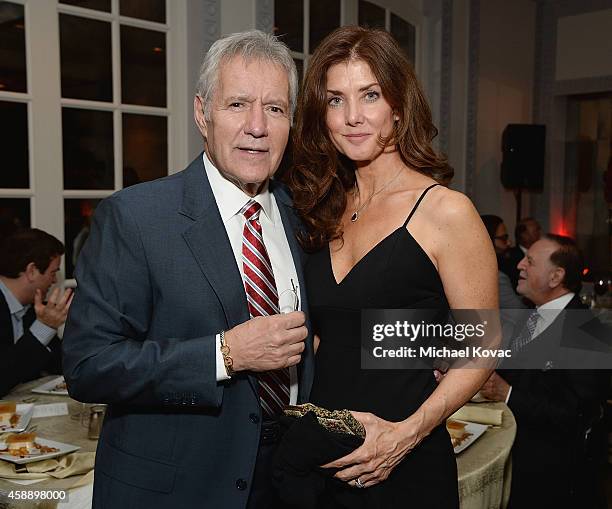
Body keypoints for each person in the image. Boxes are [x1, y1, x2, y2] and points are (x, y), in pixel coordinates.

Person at [62, 30, 313, 509]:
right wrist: (225, 355)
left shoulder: (303, 216)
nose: (257, 126)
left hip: (286, 484)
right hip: (177, 490)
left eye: (275, 109)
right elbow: (88, 366)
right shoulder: (136, 217)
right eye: (238, 104)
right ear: (203, 113)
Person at [286, 26, 498, 507]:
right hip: (322, 459)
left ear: (399, 106)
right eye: (336, 100)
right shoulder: (321, 206)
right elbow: (329, 336)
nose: (353, 117)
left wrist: (406, 434)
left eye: (370, 95)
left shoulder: (446, 211)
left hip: (402, 462)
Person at [480, 234, 608, 508]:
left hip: (552, 476)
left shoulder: (585, 331)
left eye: (530, 261)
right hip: (520, 453)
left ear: (556, 277)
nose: (519, 266)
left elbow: (576, 413)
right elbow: (522, 372)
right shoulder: (536, 314)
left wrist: (508, 392)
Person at [0, 228, 72, 396]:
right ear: (32, 271)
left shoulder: (32, 307)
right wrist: (44, 327)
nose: (54, 280)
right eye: (53, 272)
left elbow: (60, 362)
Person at [480, 214, 525, 311]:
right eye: (503, 238)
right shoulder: (494, 276)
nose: (509, 243)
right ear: (487, 239)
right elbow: (518, 311)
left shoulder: (506, 263)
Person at [503, 217, 541, 289]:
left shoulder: (541, 255)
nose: (539, 234)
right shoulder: (510, 257)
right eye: (536, 231)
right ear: (524, 235)